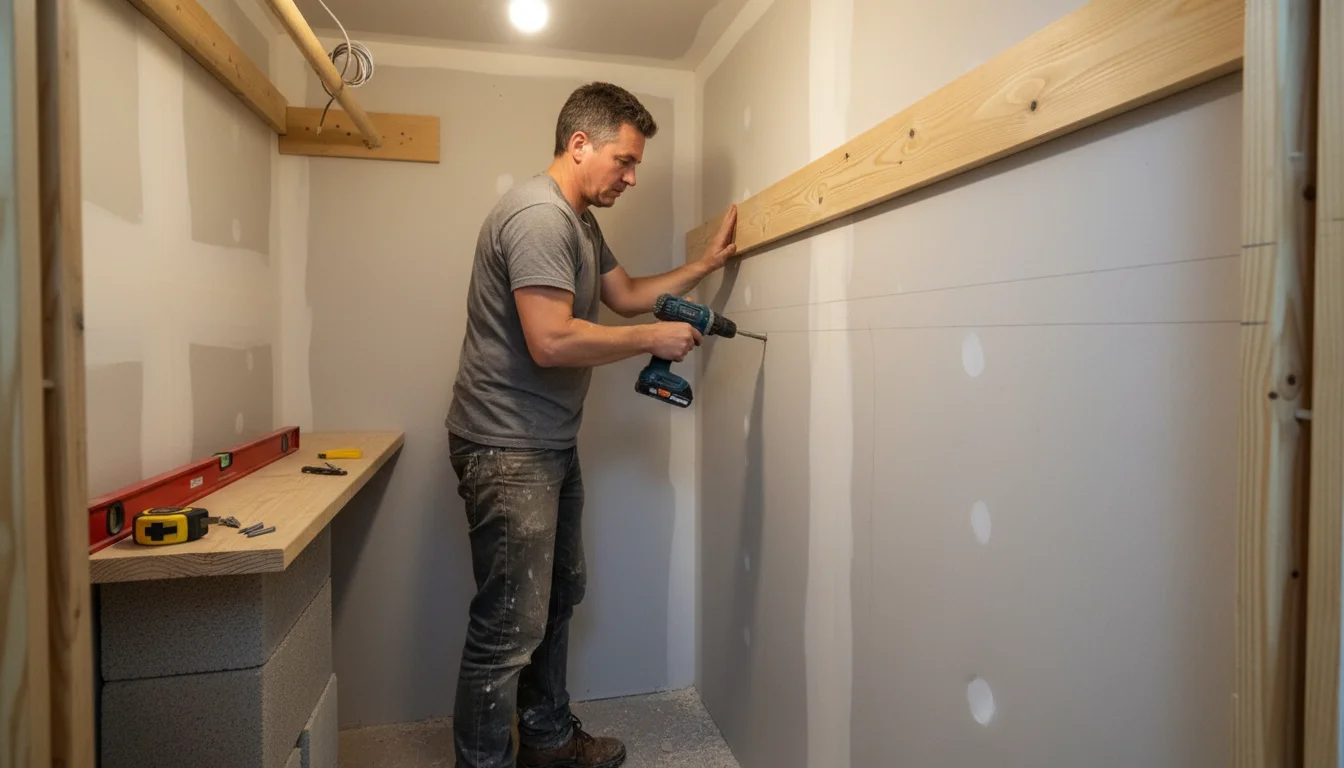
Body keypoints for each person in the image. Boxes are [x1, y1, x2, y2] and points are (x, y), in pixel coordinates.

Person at [444, 81, 738, 768]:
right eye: (624, 161)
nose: (631, 177)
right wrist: (650, 341)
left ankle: (545, 743)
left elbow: (626, 295)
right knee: (508, 626)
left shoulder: (579, 221)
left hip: (546, 441)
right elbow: (550, 340)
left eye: (635, 165)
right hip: (505, 445)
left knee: (555, 598)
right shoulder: (539, 218)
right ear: (579, 145)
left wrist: (704, 265)